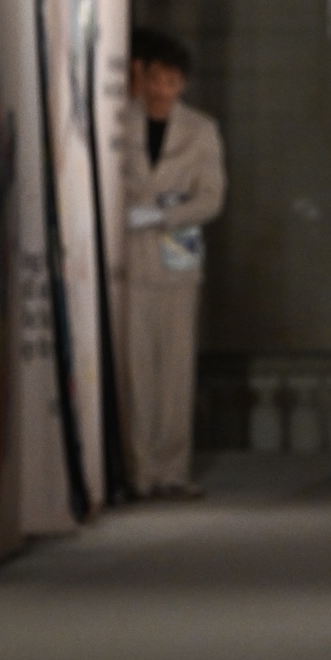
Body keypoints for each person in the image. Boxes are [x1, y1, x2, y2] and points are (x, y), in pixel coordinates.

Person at [121, 28, 226, 498]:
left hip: (178, 257)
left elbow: (211, 197)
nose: (162, 88)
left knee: (176, 369)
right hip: (129, 262)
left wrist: (162, 215)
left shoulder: (200, 130)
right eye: (155, 78)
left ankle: (172, 470)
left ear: (182, 83)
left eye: (171, 80)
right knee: (136, 370)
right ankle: (139, 471)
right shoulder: (120, 123)